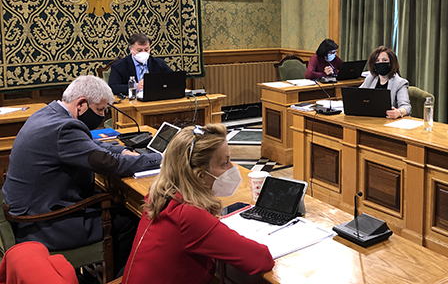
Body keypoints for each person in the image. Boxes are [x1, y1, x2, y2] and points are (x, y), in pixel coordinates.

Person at [2, 75, 162, 274]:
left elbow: (89, 143)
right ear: (81, 104)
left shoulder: (49, 113)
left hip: (28, 212)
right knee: (131, 217)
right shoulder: (64, 128)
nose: (102, 116)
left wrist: (122, 150)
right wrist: (160, 158)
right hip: (42, 224)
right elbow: (110, 164)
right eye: (100, 110)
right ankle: (121, 277)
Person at [122, 124, 274, 284]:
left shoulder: (159, 195)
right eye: (225, 163)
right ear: (200, 176)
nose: (232, 167)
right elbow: (261, 259)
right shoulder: (188, 215)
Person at [108, 33, 172, 96]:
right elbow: (113, 87)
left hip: (155, 98)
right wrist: (135, 86)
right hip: (131, 100)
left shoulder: (159, 63)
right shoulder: (119, 66)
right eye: (139, 50)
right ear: (131, 49)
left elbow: (172, 80)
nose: (143, 53)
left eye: (146, 50)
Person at [359, 46, 411, 119]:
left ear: (391, 63)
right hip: (370, 118)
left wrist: (399, 112)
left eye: (384, 60)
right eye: (377, 60)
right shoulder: (371, 78)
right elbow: (358, 95)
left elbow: (406, 106)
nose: (380, 63)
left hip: (388, 120)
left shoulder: (400, 82)